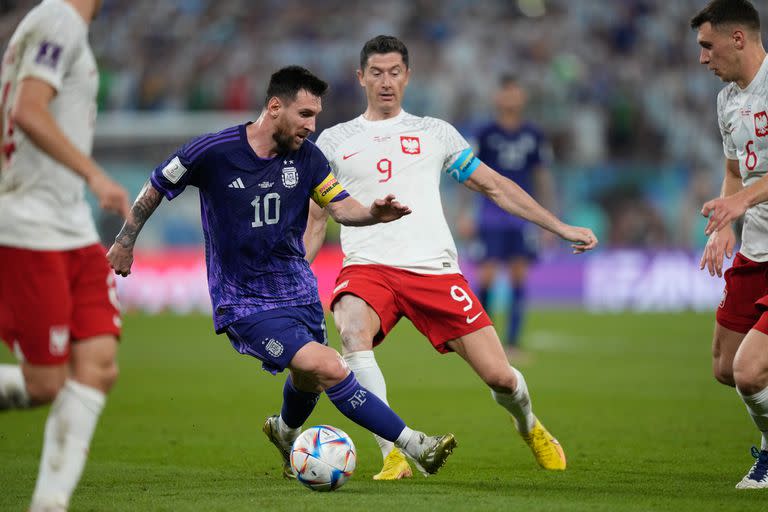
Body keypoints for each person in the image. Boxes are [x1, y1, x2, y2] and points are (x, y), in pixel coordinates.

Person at [106, 66, 457, 481]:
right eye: (305, 114)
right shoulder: (213, 152)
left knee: (307, 379)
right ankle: (416, 444)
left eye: (316, 116)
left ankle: (285, 431)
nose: (312, 126)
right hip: (244, 301)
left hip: (299, 292)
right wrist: (126, 241)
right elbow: (157, 186)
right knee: (329, 366)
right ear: (275, 107)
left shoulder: (307, 159)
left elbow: (340, 206)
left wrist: (372, 214)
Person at [308, 35, 597, 481]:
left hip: (434, 272)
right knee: (351, 333)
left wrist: (559, 227)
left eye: (395, 72)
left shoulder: (434, 133)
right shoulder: (333, 140)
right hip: (367, 267)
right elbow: (314, 217)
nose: (386, 82)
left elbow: (495, 186)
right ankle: (394, 454)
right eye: (377, 73)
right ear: (360, 77)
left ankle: (529, 425)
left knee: (501, 378)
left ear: (408, 76)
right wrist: (297, 273)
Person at [0, 1, 130, 510]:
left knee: (98, 365)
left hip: (69, 226)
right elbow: (27, 110)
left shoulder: (49, 24)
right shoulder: (59, 19)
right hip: (34, 226)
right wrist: (95, 175)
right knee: (44, 383)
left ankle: (48, 506)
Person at [693, 0, 768, 489]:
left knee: (750, 372)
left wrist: (740, 202)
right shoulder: (728, 100)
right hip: (757, 248)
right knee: (724, 366)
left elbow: (744, 188)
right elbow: (733, 171)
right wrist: (724, 221)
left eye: (707, 45)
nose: (702, 58)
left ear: (737, 38)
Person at [464, 75, 557, 359]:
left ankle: (513, 343)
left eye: (515, 92)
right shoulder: (484, 132)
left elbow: (542, 176)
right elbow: (467, 172)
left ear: (522, 97)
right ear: (497, 97)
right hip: (491, 213)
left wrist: (547, 220)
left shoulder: (533, 134)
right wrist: (467, 213)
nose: (510, 98)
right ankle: (482, 344)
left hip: (521, 214)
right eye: (505, 92)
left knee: (518, 275)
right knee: (488, 275)